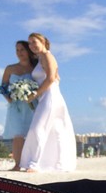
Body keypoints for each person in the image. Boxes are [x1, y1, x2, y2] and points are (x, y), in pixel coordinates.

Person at [20, 33, 77, 172]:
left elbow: (51, 78)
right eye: (29, 43)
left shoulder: (47, 56)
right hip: (48, 96)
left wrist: (35, 94)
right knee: (55, 130)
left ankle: (34, 163)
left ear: (43, 41)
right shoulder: (41, 58)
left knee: (38, 128)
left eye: (34, 42)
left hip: (50, 96)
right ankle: (59, 164)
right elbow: (56, 77)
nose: (31, 46)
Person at [1, 41, 37, 171]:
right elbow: (3, 86)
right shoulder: (10, 68)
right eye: (17, 50)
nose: (19, 53)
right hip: (15, 106)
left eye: (22, 49)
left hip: (32, 105)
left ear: (28, 51)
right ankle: (17, 164)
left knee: (32, 133)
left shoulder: (35, 68)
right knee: (18, 134)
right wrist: (9, 99)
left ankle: (31, 163)